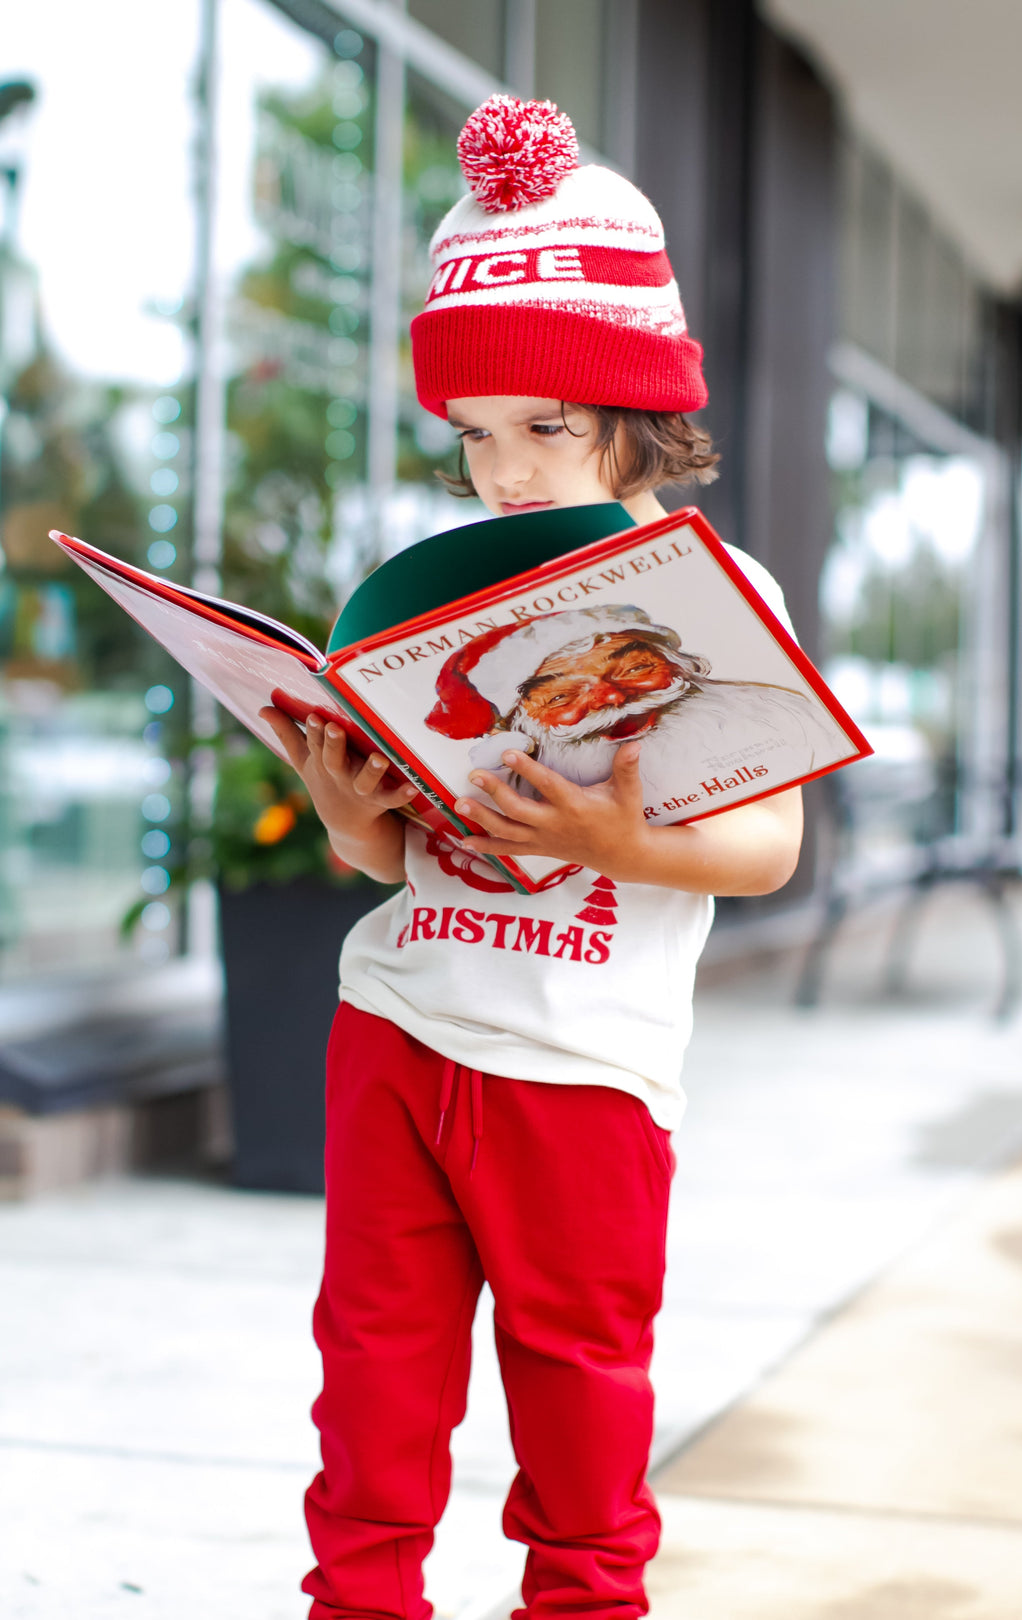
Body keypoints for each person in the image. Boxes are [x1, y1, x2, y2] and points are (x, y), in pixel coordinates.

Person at [261, 94, 805, 1620]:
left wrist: (619, 837)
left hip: (583, 1063)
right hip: (398, 1027)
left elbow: (767, 848)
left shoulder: (718, 588)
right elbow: (387, 865)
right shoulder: (438, 591)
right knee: (369, 1380)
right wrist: (347, 804)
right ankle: (356, 1602)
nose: (504, 471)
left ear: (636, 412)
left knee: (577, 1391)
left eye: (544, 430)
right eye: (474, 437)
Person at [424, 602, 839, 800]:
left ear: (680, 664)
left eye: (634, 668)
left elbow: (773, 860)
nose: (611, 697)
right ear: (522, 726)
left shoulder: (775, 718)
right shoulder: (503, 787)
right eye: (563, 696)